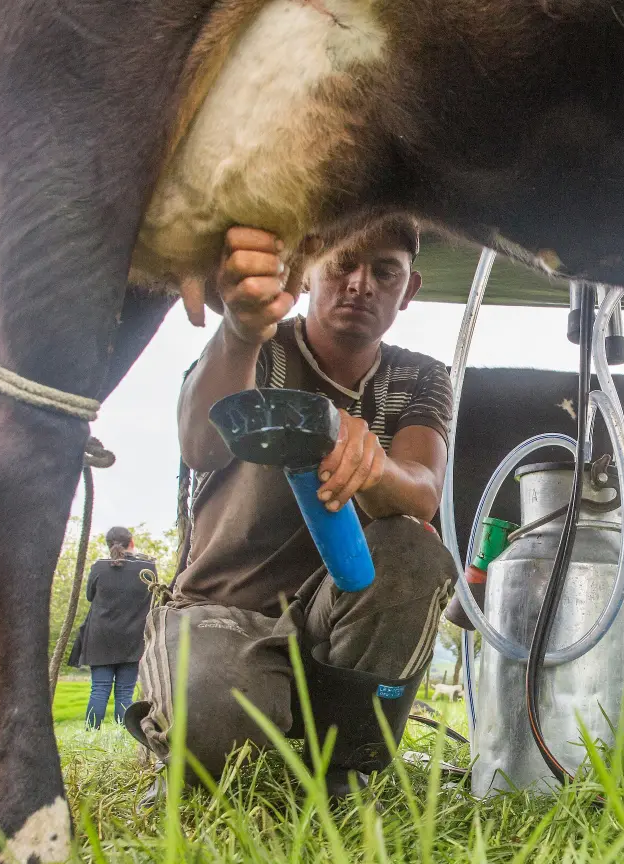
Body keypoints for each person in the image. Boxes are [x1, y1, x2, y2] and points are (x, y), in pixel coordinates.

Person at [129, 216, 457, 792]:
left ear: (409, 291)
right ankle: (198, 720)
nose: (360, 284)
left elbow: (424, 492)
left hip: (334, 619)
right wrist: (237, 328)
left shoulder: (421, 377)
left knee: (413, 547)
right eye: (343, 265)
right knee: (212, 725)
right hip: (220, 611)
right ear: (307, 269)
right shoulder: (259, 344)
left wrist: (370, 461)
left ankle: (344, 768)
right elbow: (199, 445)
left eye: (385, 272)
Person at [78, 527, 156, 728]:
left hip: (100, 637)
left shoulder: (99, 567)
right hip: (132, 638)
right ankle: (124, 734)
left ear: (108, 544)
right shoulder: (147, 567)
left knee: (99, 689)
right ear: (132, 542)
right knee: (124, 691)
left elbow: (89, 596)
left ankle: (90, 734)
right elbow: (153, 598)